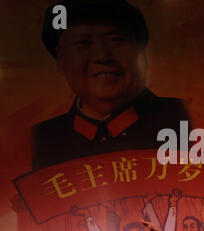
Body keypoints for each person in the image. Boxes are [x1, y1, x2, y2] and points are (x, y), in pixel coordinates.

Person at [33, 0, 190, 169]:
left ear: (142, 54)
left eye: (116, 40)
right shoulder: (41, 139)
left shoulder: (185, 120)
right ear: (60, 60)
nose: (103, 56)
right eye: (83, 43)